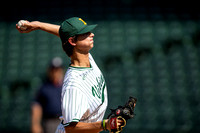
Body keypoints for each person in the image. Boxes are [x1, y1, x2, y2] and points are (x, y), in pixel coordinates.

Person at [16, 17, 125, 133]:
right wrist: (104, 124)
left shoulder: (87, 58)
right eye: (85, 33)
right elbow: (70, 128)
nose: (92, 34)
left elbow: (64, 33)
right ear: (73, 41)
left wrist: (38, 25)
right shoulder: (73, 84)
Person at [31, 57, 64, 133]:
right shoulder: (44, 87)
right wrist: (35, 124)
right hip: (50, 122)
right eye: (53, 69)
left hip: (66, 122)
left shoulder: (67, 86)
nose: (55, 72)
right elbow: (37, 107)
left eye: (57, 69)